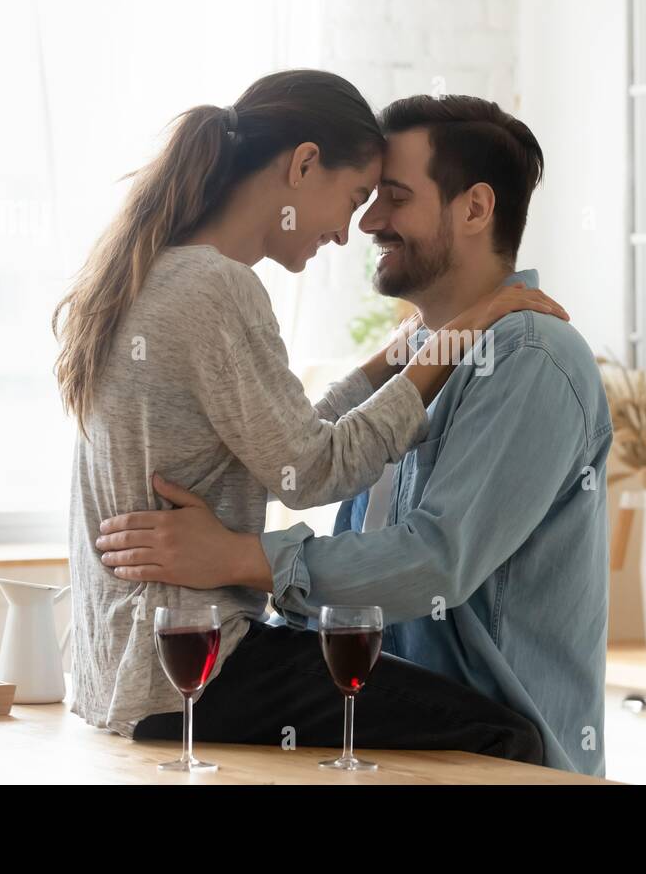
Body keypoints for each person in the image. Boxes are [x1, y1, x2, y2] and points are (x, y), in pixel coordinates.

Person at [55, 70, 567, 765]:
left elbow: (291, 439)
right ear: (302, 165)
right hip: (196, 661)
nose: (351, 229)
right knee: (509, 741)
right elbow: (314, 469)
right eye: (356, 197)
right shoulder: (219, 286)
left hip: (128, 666)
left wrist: (399, 354)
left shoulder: (160, 269)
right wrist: (458, 333)